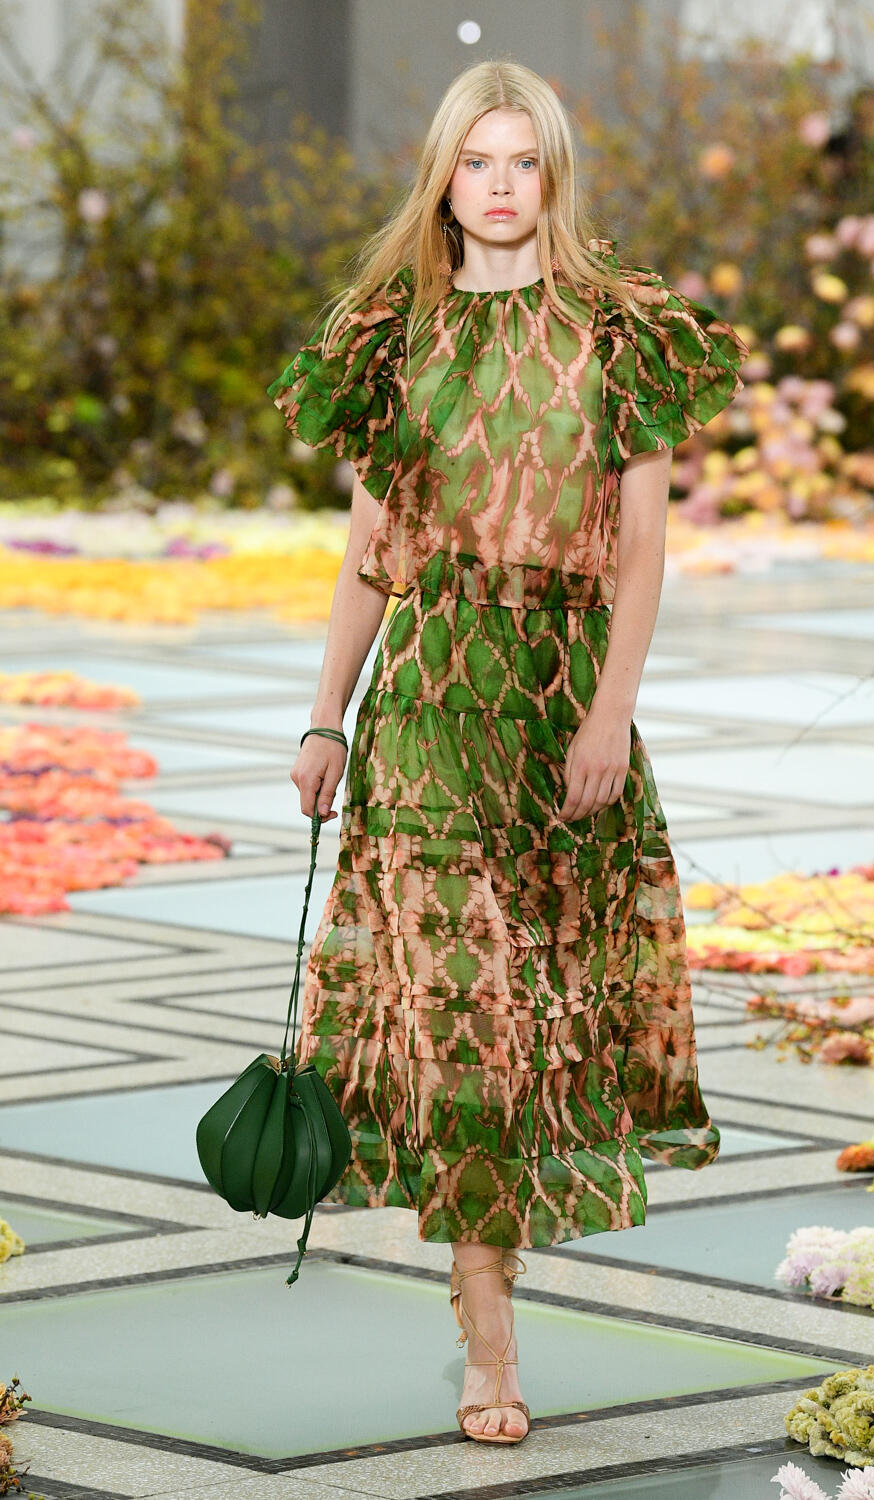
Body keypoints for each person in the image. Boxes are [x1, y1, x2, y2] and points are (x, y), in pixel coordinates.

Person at [268, 57, 747, 1447]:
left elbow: (643, 554)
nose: (497, 184)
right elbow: (371, 553)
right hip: (424, 710)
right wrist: (325, 715)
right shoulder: (391, 339)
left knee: (542, 1015)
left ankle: (492, 1268)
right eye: (475, 160)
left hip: (558, 706)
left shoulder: (622, 333)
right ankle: (489, 1334)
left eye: (521, 161)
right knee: (465, 1017)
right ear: (442, 179)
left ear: (553, 177)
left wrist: (608, 713)